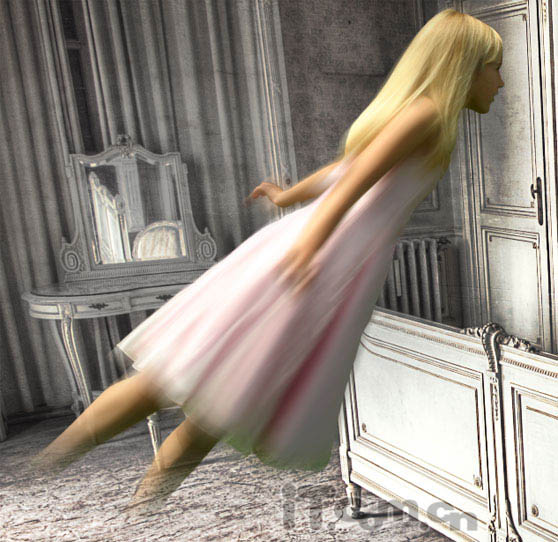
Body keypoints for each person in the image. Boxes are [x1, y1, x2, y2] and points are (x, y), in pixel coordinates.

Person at [29, 8, 504, 516]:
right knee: (172, 382)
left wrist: (287, 197)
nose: (500, 82)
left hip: (326, 262)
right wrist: (310, 244)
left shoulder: (425, 117)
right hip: (316, 262)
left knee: (216, 407)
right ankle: (45, 472)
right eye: (494, 67)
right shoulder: (426, 114)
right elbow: (354, 177)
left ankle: (140, 511)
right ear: (464, 66)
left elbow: (343, 171)